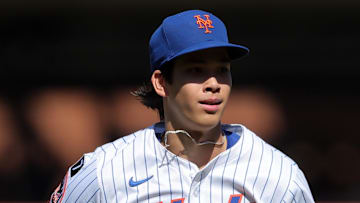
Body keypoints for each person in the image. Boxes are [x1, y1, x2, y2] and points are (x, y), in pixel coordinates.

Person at [50, 9, 315, 203]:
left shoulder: (278, 173)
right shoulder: (105, 170)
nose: (214, 83)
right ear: (161, 82)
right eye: (196, 70)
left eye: (222, 70)